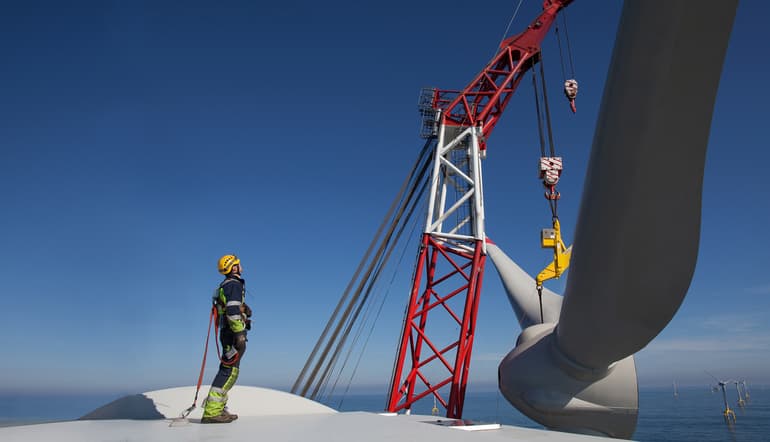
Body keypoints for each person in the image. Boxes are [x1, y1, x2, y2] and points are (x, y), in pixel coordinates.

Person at [201, 254, 252, 423]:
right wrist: (239, 334)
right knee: (228, 370)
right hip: (232, 334)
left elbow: (230, 307)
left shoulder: (226, 285)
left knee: (230, 370)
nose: (240, 265)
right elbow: (232, 311)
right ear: (233, 268)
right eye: (238, 263)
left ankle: (218, 408)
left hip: (227, 333)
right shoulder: (234, 285)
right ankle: (212, 412)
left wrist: (244, 309)